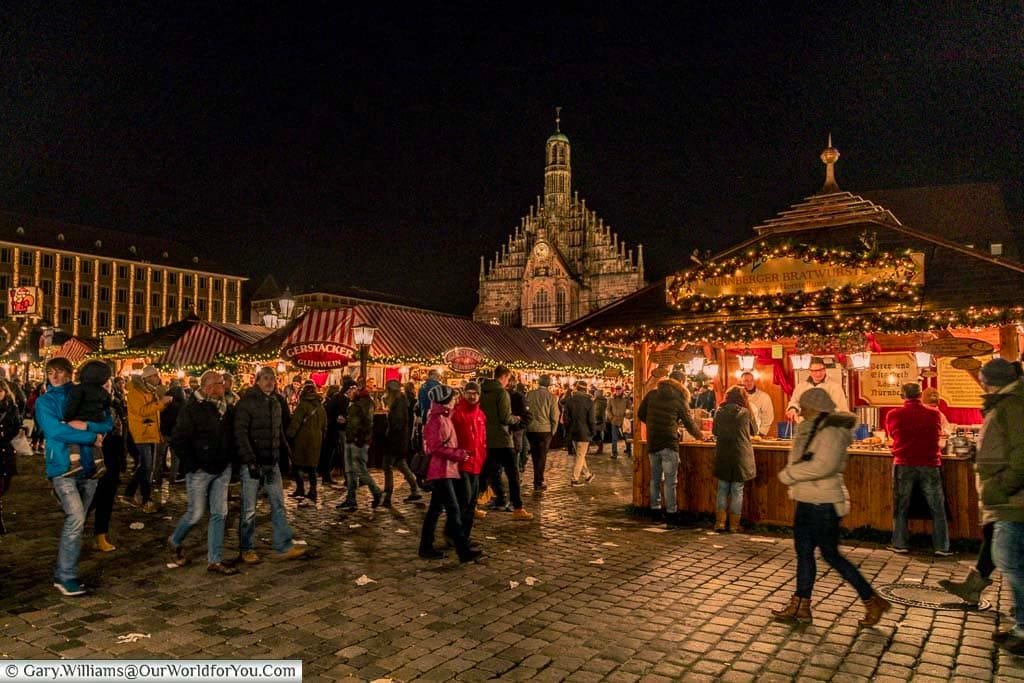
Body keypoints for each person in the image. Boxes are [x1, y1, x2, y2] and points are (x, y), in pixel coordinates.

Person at [772, 388, 890, 626]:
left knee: (830, 555)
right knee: (804, 554)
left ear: (816, 407)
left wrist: (789, 474)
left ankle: (872, 599)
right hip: (807, 498)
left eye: (804, 406)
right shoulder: (811, 428)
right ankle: (801, 604)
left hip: (823, 503)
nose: (801, 410)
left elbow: (823, 465)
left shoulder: (832, 431)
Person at [35, 357, 113, 596]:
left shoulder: (86, 393)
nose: (55, 377)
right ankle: (65, 575)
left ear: (70, 373)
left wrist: (85, 426)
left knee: (78, 520)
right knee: (76, 518)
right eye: (51, 373)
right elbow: (55, 430)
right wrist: (90, 436)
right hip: (61, 466)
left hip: (90, 466)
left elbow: (107, 421)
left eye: (59, 372)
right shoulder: (45, 401)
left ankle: (65, 570)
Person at [964, 358, 1024, 650]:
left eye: (983, 377)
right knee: (1013, 562)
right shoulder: (1008, 402)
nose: (981, 382)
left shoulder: (1011, 405)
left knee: (1010, 561)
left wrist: (1000, 489)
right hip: (1009, 500)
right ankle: (1021, 625)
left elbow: (1021, 455)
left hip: (1013, 501)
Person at [168, 370, 239, 575]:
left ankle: (214, 560)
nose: (224, 386)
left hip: (222, 467)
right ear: (208, 387)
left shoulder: (226, 407)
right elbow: (179, 439)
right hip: (200, 469)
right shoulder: (192, 409)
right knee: (196, 513)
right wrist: (193, 464)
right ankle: (175, 540)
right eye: (220, 383)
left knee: (219, 513)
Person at [234, 367, 306, 563]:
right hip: (253, 463)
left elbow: (278, 431)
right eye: (265, 378)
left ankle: (284, 544)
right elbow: (240, 433)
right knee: (249, 509)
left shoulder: (276, 402)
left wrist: (286, 455)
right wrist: (250, 460)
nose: (269, 382)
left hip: (271, 461)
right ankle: (246, 547)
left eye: (272, 379)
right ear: (256, 380)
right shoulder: (247, 403)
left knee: (278, 504)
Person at [418, 384, 483, 563]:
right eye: (453, 398)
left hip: (447, 469)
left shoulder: (445, 416)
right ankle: (463, 550)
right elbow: (435, 447)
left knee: (435, 510)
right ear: (445, 401)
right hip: (440, 471)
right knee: (453, 510)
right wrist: (459, 454)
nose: (456, 400)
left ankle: (426, 546)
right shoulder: (436, 420)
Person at [884, 382, 950, 556]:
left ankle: (900, 543)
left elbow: (892, 434)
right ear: (920, 395)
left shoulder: (894, 414)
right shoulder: (934, 414)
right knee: (937, 506)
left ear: (902, 396)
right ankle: (942, 546)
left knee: (901, 505)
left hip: (904, 462)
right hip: (930, 463)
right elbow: (940, 433)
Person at [638, 370, 703, 521]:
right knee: (670, 481)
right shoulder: (679, 398)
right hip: (668, 442)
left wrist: (654, 425)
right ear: (682, 382)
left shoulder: (652, 394)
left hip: (653, 441)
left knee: (655, 478)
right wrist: (700, 436)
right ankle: (671, 512)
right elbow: (689, 423)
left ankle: (654, 510)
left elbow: (641, 414)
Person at [479, 366, 532, 519]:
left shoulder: (482, 391)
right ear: (504, 377)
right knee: (513, 474)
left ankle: (471, 504)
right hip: (502, 438)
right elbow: (505, 417)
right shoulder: (501, 393)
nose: (508, 382)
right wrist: (517, 419)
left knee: (484, 473)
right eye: (508, 379)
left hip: (486, 438)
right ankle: (518, 508)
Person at [124, 365, 172, 513]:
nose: (158, 378)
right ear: (147, 378)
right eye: (155, 375)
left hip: (150, 432)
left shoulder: (150, 391)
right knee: (147, 467)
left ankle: (129, 494)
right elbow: (142, 411)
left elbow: (152, 411)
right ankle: (146, 499)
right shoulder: (135, 392)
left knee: (145, 466)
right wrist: (161, 403)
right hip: (142, 433)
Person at [713, 386, 757, 533]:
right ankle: (733, 525)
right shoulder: (745, 412)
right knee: (737, 490)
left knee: (722, 488)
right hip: (740, 455)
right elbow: (754, 431)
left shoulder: (719, 411)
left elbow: (715, 431)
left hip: (723, 453)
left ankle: (720, 523)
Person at [91, 377, 126, 552]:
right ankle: (74, 529)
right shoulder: (88, 406)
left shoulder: (115, 404)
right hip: (94, 454)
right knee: (91, 497)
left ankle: (101, 534)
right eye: (102, 385)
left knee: (106, 496)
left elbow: (121, 431)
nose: (106, 389)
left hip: (113, 454)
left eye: (108, 385)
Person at [63, 360, 112, 479]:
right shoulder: (102, 391)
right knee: (95, 442)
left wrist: (68, 418)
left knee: (73, 439)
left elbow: (72, 405)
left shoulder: (79, 389)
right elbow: (107, 405)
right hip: (96, 419)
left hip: (79, 418)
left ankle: (75, 463)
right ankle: (100, 463)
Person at [451, 381, 487, 544]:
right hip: (463, 463)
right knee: (463, 501)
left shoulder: (480, 415)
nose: (472, 396)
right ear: (464, 394)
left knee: (472, 502)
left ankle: (465, 535)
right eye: (469, 393)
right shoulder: (457, 414)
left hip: (477, 463)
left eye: (475, 393)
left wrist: (483, 455)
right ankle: (456, 535)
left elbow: (482, 439)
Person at [338, 382, 383, 511]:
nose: (349, 393)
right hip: (352, 439)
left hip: (357, 442)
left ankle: (376, 491)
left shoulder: (362, 405)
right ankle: (351, 498)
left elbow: (366, 424)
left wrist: (359, 438)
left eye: (352, 390)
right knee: (351, 471)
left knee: (359, 470)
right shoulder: (358, 405)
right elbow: (357, 422)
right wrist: (347, 421)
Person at [287, 381, 327, 507]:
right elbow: (325, 425)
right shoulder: (321, 407)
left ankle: (300, 489)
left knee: (297, 465)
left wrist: (289, 435)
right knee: (312, 467)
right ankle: (313, 490)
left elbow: (296, 422)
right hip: (317, 439)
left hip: (302, 439)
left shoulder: (303, 405)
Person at [382, 379, 420, 506]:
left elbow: (397, 423)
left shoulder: (398, 402)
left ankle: (388, 493)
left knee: (387, 465)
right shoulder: (401, 401)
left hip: (395, 440)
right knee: (401, 465)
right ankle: (414, 489)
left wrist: (390, 435)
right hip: (400, 439)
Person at [525, 375, 559, 490]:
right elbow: (555, 416)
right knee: (542, 456)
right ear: (549, 384)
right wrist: (553, 431)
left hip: (531, 429)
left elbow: (526, 410)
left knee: (535, 455)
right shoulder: (551, 397)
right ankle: (538, 480)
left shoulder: (530, 394)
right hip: (545, 430)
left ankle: (537, 479)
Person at [563, 380, 598, 487]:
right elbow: (591, 419)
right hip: (584, 431)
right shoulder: (589, 402)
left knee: (580, 454)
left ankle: (587, 475)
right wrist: (593, 431)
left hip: (573, 431)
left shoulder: (569, 400)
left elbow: (566, 418)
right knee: (580, 455)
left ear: (576, 389)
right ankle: (575, 478)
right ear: (586, 389)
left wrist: (568, 430)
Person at [0, 380, 23, 534]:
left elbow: (16, 425)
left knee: (5, 484)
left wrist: (5, 434)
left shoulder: (11, 407)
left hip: (5, 450)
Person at [319, 385, 344, 487]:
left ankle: (326, 476)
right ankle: (326, 476)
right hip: (331, 432)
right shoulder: (332, 403)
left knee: (327, 455)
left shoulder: (326, 402)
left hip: (327, 432)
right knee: (328, 455)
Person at [740, 371, 774, 436]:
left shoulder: (764, 397)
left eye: (751, 380)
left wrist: (761, 433)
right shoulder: (737, 397)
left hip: (757, 434)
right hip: (740, 434)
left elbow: (768, 417)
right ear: (741, 382)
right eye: (746, 380)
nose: (749, 383)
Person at [606, 386, 632, 458]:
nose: (618, 392)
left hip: (623, 421)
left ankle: (629, 450)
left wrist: (627, 416)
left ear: (622, 391)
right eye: (617, 390)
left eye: (619, 390)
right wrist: (611, 417)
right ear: (615, 391)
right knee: (614, 438)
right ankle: (614, 453)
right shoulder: (611, 399)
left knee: (626, 436)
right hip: (614, 420)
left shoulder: (625, 400)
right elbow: (608, 409)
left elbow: (629, 409)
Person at [592, 388, 608, 455]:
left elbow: (597, 412)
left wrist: (596, 420)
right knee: (598, 435)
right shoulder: (603, 401)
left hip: (598, 421)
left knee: (596, 435)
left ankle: (600, 449)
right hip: (601, 420)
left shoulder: (598, 401)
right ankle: (600, 448)